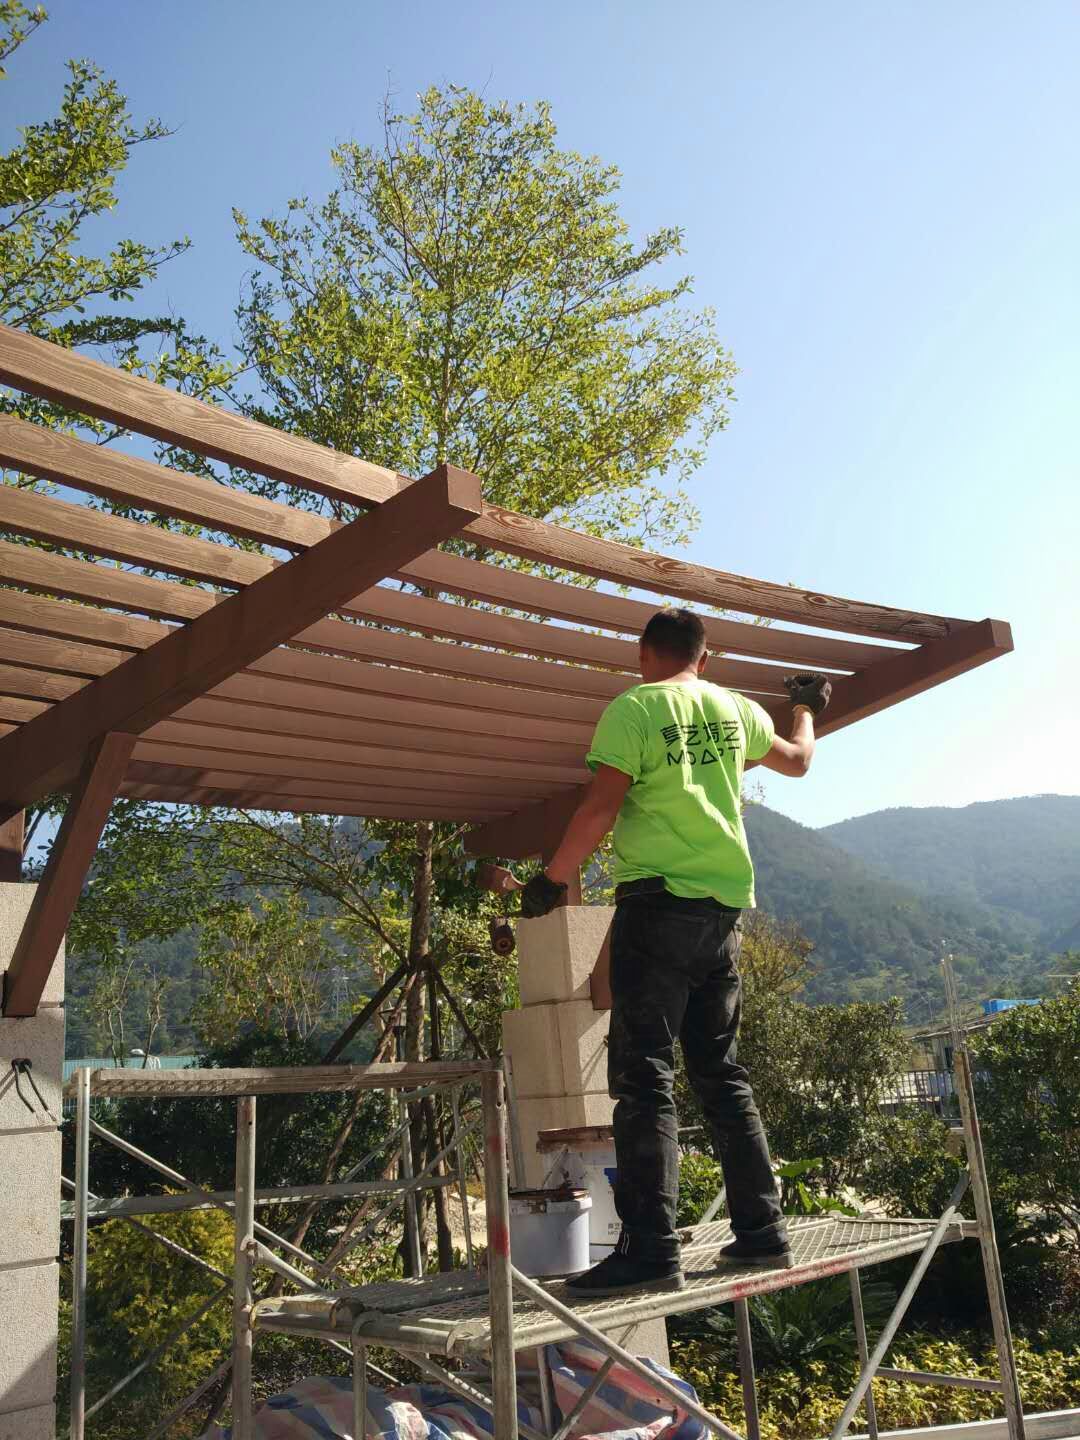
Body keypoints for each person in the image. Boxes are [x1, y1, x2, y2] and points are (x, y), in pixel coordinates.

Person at [518, 607, 831, 1297]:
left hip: (657, 908)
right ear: (704, 658)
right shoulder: (735, 708)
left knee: (643, 1078)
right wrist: (806, 707)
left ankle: (651, 1251)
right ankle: (762, 1232)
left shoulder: (633, 709)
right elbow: (799, 761)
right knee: (720, 1073)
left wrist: (552, 881)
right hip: (723, 914)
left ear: (642, 654)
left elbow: (601, 807)